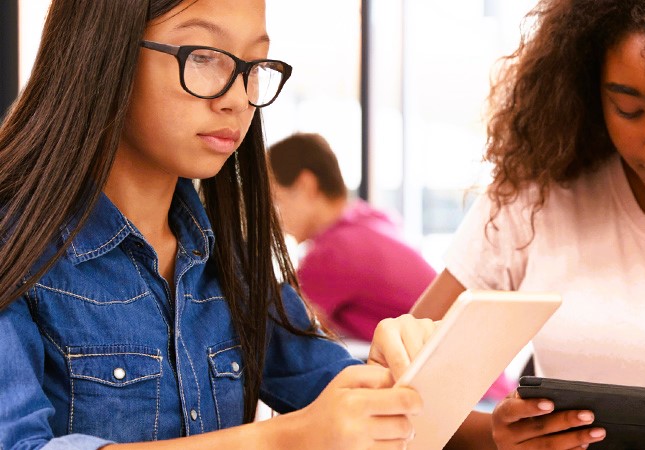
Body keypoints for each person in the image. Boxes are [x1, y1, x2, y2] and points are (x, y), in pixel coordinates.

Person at [0, 1, 436, 448]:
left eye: (253, 66)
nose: (238, 99)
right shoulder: (14, 246)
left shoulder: (228, 259)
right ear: (103, 52)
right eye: (205, 57)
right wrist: (281, 440)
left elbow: (345, 397)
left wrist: (403, 378)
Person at [410, 0, 645, 448]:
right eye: (629, 110)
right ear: (589, 89)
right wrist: (496, 437)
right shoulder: (535, 200)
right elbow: (396, 395)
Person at [268, 132, 437, 342]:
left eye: (276, 201)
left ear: (306, 185)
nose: (274, 218)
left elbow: (281, 327)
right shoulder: (369, 220)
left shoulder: (332, 253)